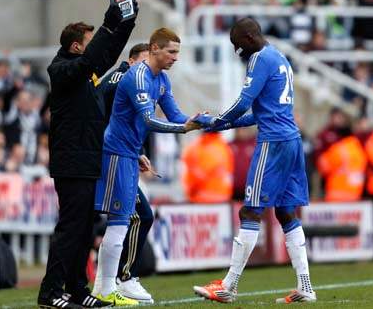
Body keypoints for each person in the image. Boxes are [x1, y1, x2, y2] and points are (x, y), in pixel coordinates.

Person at [193, 18, 316, 304]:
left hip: (273, 143)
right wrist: (218, 125)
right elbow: (261, 113)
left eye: (238, 46)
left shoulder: (260, 59)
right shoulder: (280, 58)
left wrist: (217, 120)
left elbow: (244, 102)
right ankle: (305, 286)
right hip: (291, 141)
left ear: (249, 37)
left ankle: (229, 286)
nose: (239, 52)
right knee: (286, 213)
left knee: (250, 211)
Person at [38, 0, 138, 309]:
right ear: (78, 47)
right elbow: (90, 61)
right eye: (89, 41)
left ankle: (77, 290)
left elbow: (105, 54)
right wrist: (109, 25)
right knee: (70, 228)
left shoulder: (84, 70)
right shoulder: (61, 70)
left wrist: (126, 23)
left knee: (82, 230)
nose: (94, 46)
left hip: (86, 158)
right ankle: (50, 293)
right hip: (71, 161)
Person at [92, 28, 202, 306]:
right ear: (154, 49)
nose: (176, 58)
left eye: (177, 52)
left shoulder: (161, 79)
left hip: (128, 155)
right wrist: (183, 128)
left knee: (131, 218)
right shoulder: (138, 77)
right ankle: (106, 287)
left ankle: (108, 284)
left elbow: (177, 115)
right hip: (115, 154)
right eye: (171, 52)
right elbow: (151, 120)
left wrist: (206, 121)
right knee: (119, 220)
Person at [93, 43, 155, 304]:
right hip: (110, 157)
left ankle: (105, 284)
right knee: (135, 216)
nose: (145, 69)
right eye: (142, 62)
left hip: (120, 154)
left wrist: (137, 150)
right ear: (130, 61)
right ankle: (121, 279)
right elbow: (108, 119)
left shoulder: (125, 79)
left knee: (135, 217)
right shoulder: (121, 80)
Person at [181, 130, 234, 203]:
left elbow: (192, 175)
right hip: (223, 197)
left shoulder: (195, 148)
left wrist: (190, 192)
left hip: (201, 198)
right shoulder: (224, 147)